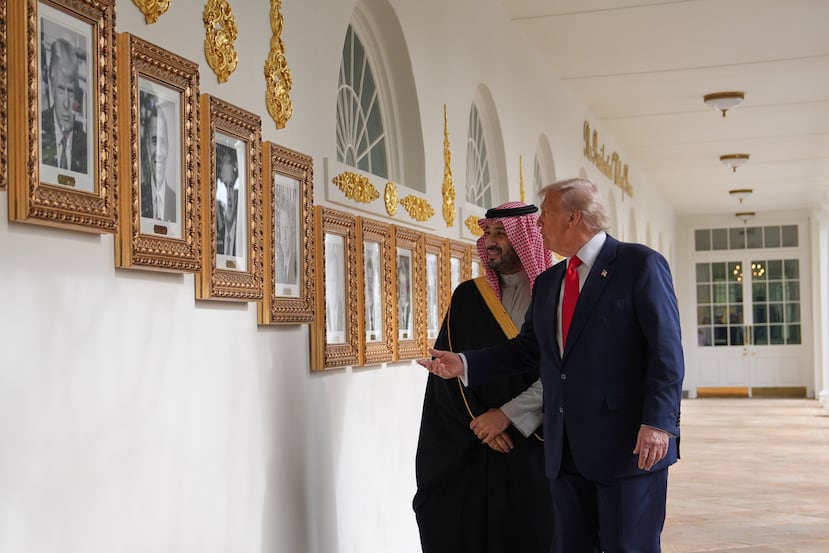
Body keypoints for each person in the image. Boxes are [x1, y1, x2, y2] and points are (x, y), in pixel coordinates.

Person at [419, 178, 684, 553]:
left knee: (628, 547)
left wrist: (658, 423)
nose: (539, 224)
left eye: (545, 214)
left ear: (573, 217)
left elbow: (666, 354)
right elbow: (530, 350)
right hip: (564, 451)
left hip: (627, 448)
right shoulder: (550, 282)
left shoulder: (639, 264)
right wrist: (464, 363)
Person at [413, 201, 554, 553]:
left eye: (501, 234)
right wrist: (480, 424)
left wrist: (506, 417)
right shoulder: (468, 297)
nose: (490, 241)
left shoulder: (553, 295)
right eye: (487, 233)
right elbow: (446, 374)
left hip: (534, 442)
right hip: (474, 443)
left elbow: (563, 373)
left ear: (527, 238)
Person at [40, 37, 87, 174]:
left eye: (71, 91)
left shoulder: (87, 145)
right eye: (61, 89)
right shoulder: (36, 129)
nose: (66, 103)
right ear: (51, 85)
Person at [140, 104, 177, 222]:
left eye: (162, 142)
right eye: (154, 141)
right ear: (147, 145)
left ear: (168, 147)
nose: (158, 152)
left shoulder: (178, 203)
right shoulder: (136, 197)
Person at [216, 146, 240, 256]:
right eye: (224, 186)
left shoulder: (245, 240)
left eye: (231, 187)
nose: (228, 197)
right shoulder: (215, 240)